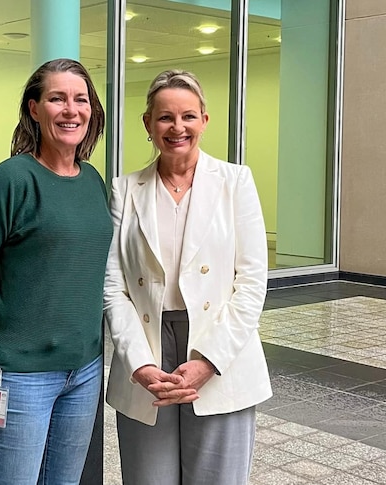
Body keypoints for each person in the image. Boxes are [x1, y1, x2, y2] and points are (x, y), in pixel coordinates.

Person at [103, 69, 272, 485]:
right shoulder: (125, 190)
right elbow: (113, 286)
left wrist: (208, 361)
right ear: (147, 124)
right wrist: (139, 364)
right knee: (148, 478)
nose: (177, 127)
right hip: (147, 351)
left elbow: (251, 282)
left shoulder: (236, 182)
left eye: (188, 116)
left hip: (219, 352)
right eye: (164, 117)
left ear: (204, 121)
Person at [0, 58, 112, 485]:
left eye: (80, 99)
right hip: (20, 378)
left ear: (92, 110)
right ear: (35, 109)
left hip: (85, 369)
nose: (70, 110)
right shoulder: (12, 179)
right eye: (57, 98)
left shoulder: (93, 181)